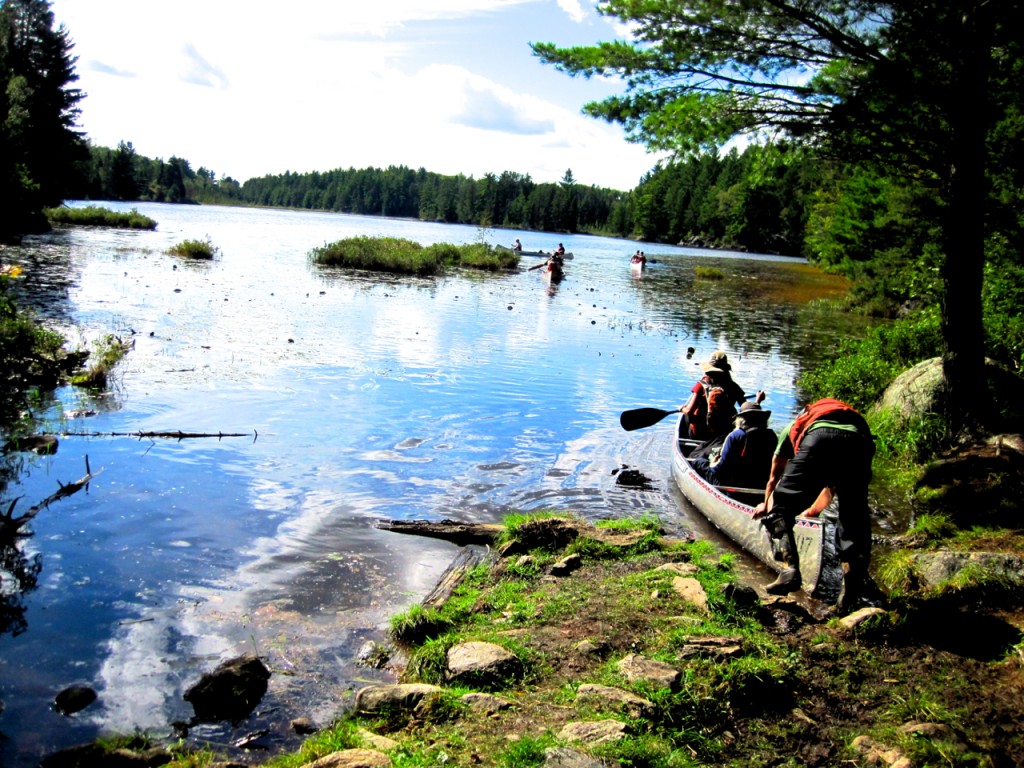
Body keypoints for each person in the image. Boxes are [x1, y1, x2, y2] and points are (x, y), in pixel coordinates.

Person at [752, 398, 880, 607]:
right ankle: (849, 597)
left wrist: (768, 506)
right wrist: (812, 511)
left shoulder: (793, 427)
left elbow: (774, 478)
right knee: (854, 523)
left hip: (820, 440)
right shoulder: (850, 422)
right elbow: (834, 485)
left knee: (780, 510)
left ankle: (790, 571)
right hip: (860, 446)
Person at [691, 400, 777, 489]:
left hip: (733, 485)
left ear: (741, 419)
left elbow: (719, 469)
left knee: (699, 462)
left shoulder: (736, 436)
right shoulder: (771, 435)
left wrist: (712, 464)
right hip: (760, 485)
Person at [679, 351, 763, 441]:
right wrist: (758, 400)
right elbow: (748, 411)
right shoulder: (733, 386)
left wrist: (681, 408)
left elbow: (689, 412)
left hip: (699, 433)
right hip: (724, 433)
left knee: (688, 416)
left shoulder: (701, 385)